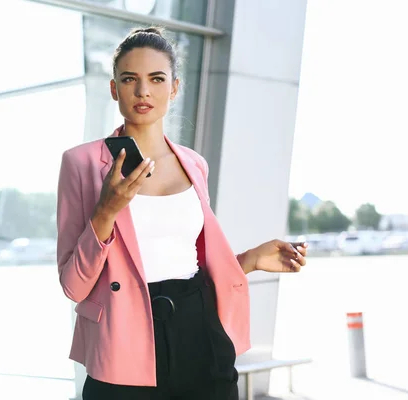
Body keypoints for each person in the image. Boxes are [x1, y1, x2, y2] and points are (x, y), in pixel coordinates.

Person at [56, 26, 308, 400]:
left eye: (157, 79)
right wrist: (106, 212)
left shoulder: (194, 164)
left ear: (174, 89)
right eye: (130, 79)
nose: (143, 91)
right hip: (122, 342)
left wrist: (250, 260)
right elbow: (72, 285)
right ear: (114, 89)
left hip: (200, 331)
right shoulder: (81, 163)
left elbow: (188, 263)